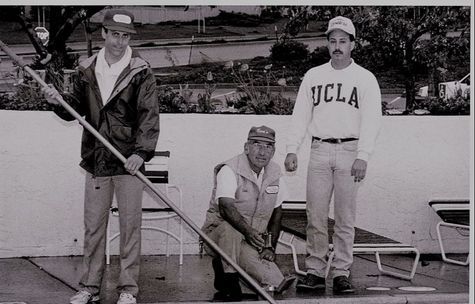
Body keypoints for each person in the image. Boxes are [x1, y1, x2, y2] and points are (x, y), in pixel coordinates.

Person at [42, 9, 160, 304]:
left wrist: (141, 153)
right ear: (104, 34)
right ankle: (89, 287)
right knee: (94, 226)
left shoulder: (141, 70)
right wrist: (57, 101)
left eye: (124, 35)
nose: (119, 42)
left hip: (128, 162)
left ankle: (128, 289)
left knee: (130, 226)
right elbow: (75, 108)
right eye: (114, 34)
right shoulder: (87, 68)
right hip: (97, 159)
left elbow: (149, 116)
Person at [284, 16, 382, 294]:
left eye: (343, 41)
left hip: (350, 150)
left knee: (344, 216)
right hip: (319, 148)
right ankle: (315, 271)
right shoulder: (314, 75)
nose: (337, 46)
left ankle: (341, 272)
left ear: (353, 44)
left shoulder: (365, 78)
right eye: (332, 41)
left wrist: (364, 155)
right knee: (315, 214)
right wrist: (292, 148)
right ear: (327, 44)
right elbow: (300, 115)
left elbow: (372, 120)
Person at [202, 125, 295, 301]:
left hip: (249, 238)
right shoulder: (229, 169)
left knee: (275, 282)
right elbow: (226, 208)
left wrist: (269, 246)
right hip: (218, 236)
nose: (262, 152)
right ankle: (229, 277)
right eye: (257, 144)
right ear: (246, 147)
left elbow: (277, 214)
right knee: (231, 231)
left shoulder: (275, 173)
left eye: (268, 146)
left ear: (273, 151)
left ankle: (232, 270)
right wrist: (249, 232)